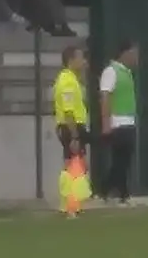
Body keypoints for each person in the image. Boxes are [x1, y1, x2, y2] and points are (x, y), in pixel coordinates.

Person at [51, 45, 91, 217]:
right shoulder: (67, 81)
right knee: (72, 166)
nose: (84, 62)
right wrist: (74, 135)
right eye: (80, 58)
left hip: (73, 126)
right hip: (70, 127)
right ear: (71, 60)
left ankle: (73, 204)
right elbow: (68, 111)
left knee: (76, 165)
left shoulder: (72, 79)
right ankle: (69, 206)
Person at [98, 40, 139, 203]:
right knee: (121, 160)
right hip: (118, 122)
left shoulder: (126, 72)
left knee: (123, 160)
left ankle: (115, 192)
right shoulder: (111, 71)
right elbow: (105, 96)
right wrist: (106, 122)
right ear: (125, 54)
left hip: (128, 121)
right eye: (134, 54)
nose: (136, 58)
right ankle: (113, 191)